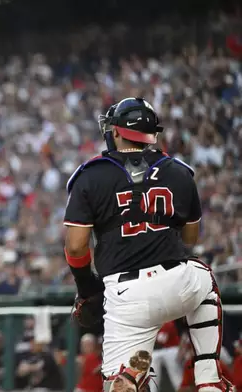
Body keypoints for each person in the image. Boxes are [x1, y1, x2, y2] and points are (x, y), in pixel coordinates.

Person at [63, 97, 233, 391]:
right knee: (203, 275)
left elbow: (76, 247)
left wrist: (86, 287)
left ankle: (131, 377)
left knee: (116, 384)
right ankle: (208, 378)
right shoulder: (179, 171)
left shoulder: (91, 174)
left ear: (115, 131)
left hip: (126, 296)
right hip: (179, 281)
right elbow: (190, 239)